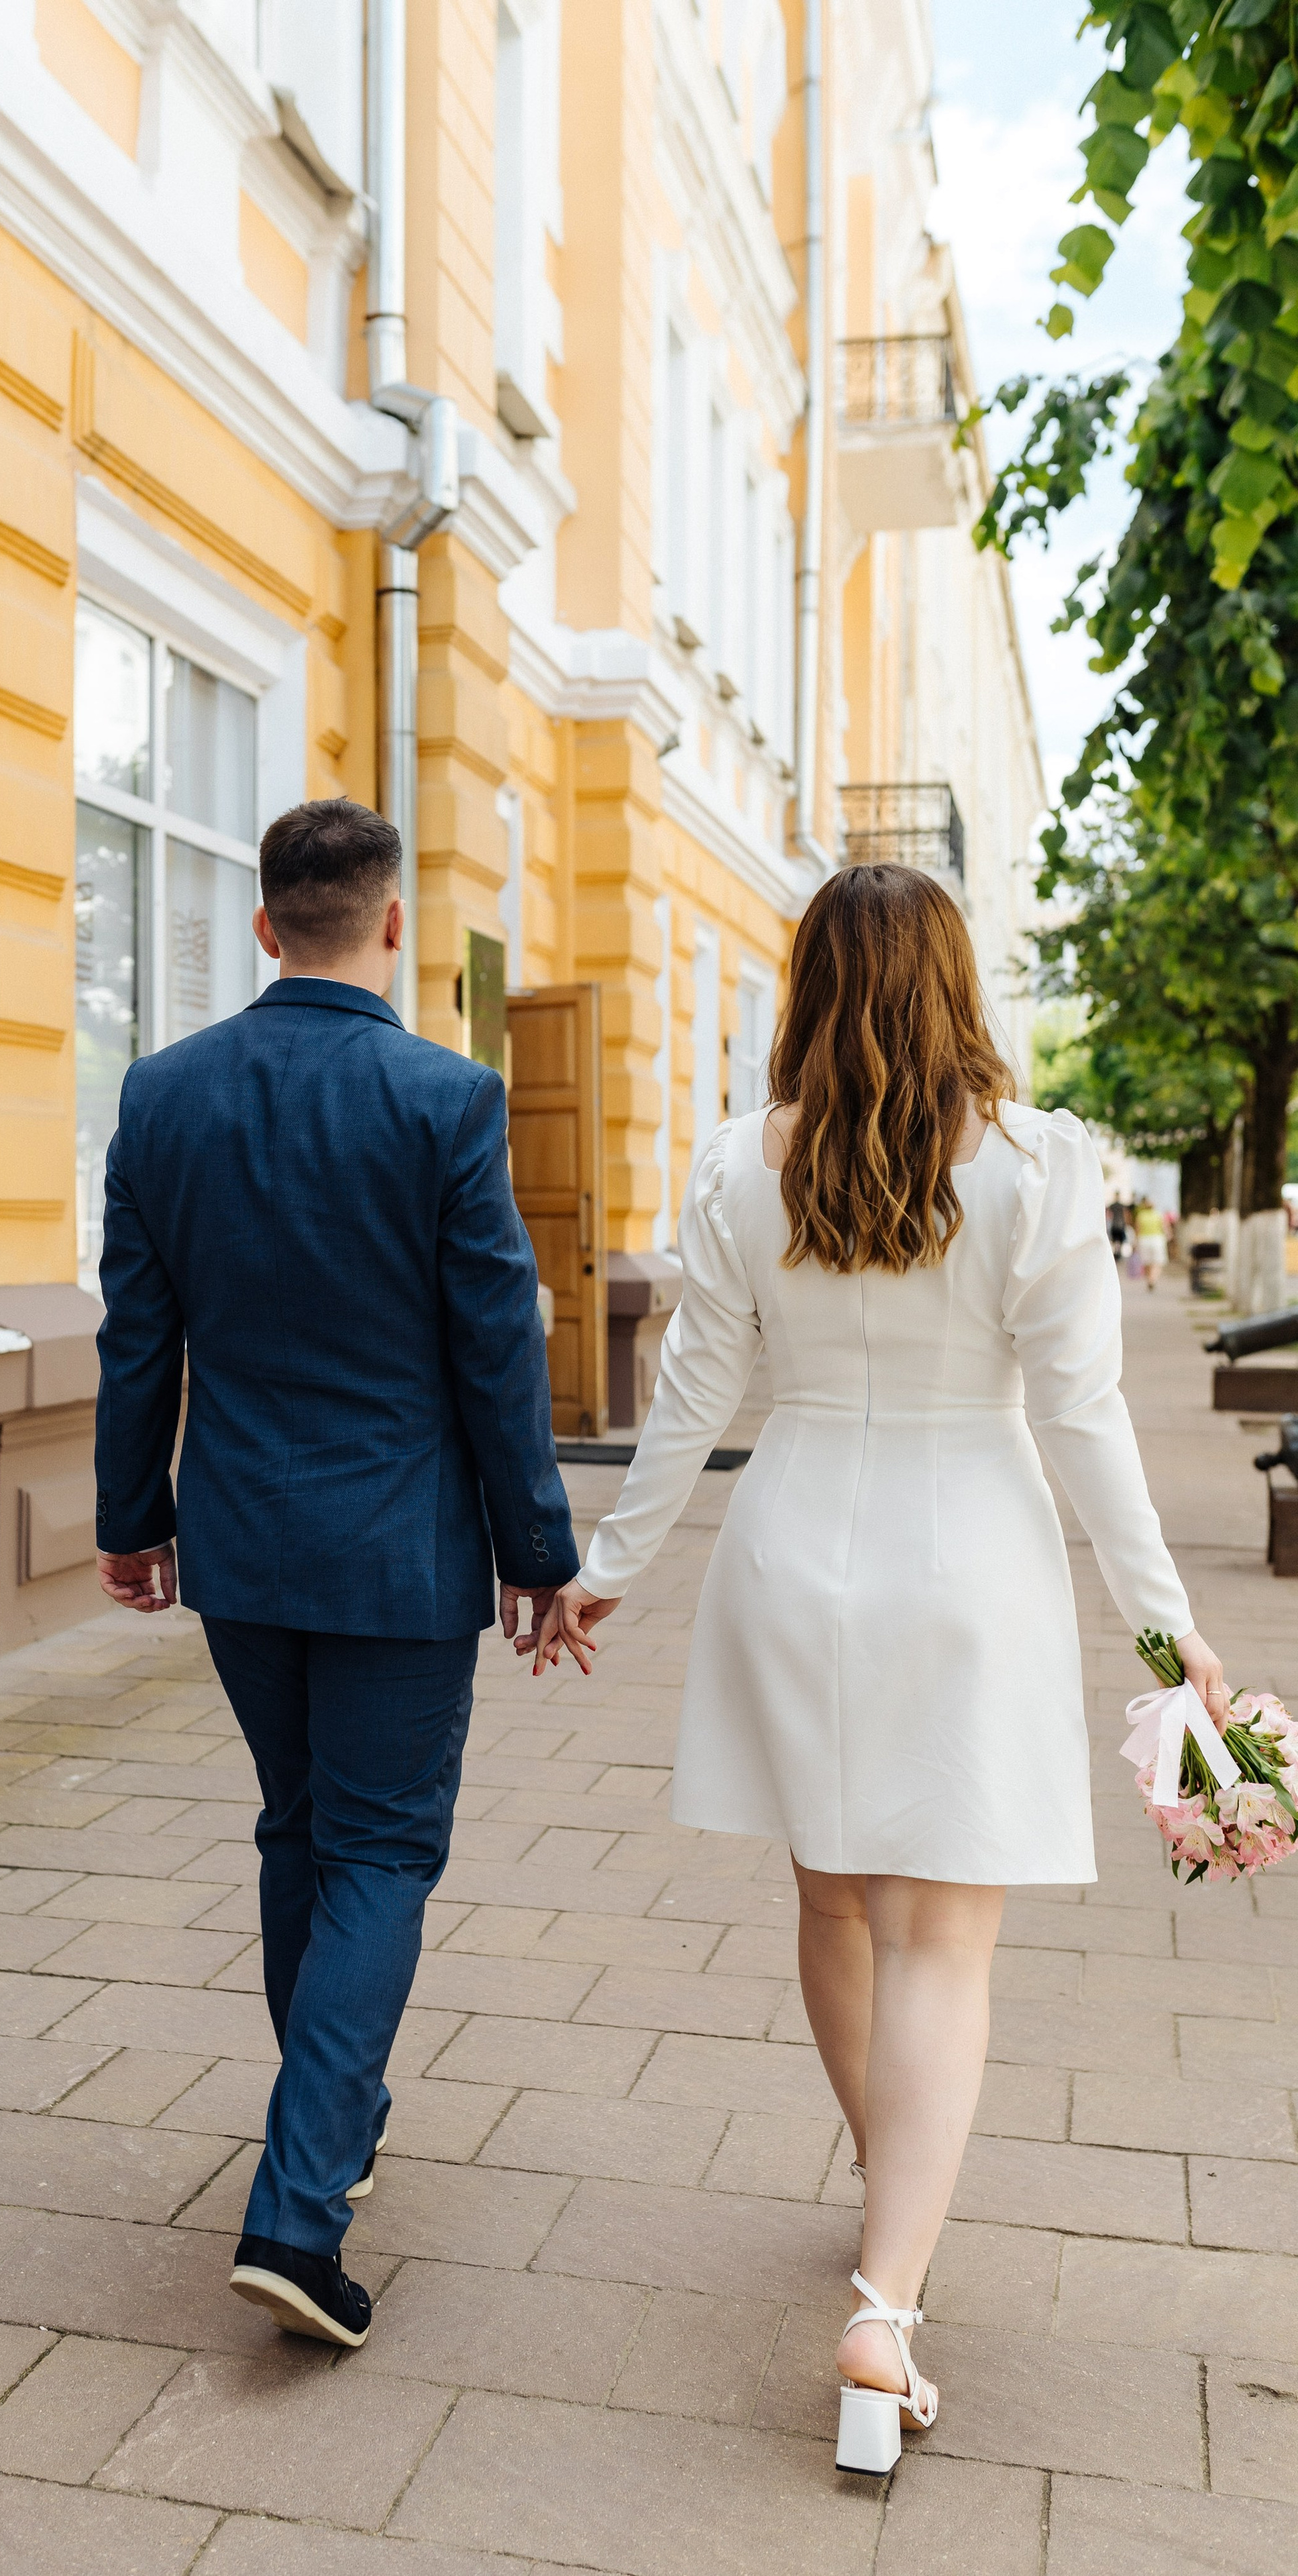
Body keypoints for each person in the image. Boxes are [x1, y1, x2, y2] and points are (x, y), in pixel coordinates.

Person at [533, 863, 1227, 2474]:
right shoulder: (1034, 1168)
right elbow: (1081, 1419)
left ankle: (883, 2196)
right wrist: (1160, 1624)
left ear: (808, 989)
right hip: (965, 1561)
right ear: (951, 983)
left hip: (789, 1552)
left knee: (834, 1900)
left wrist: (606, 1570)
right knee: (943, 1941)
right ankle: (882, 2303)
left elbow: (690, 1390)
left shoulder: (739, 1164)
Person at [93, 796, 578, 2351]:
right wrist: (536, 1551)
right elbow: (494, 1346)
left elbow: (136, 1337)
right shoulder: (445, 1097)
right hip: (395, 1554)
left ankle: (338, 2117)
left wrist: (130, 1519)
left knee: (299, 1828)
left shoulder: (162, 1094)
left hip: (239, 1544)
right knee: (374, 1851)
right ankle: (297, 2214)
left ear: (263, 925)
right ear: (391, 924)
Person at [1133, 1196, 1167, 1292]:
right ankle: (1152, 1280)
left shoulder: (1141, 1215)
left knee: (1147, 1262)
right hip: (1157, 1240)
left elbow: (1138, 1230)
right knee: (1158, 1262)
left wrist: (1135, 1242)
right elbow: (1164, 1228)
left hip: (1144, 1240)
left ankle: (1149, 1279)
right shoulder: (1158, 1215)